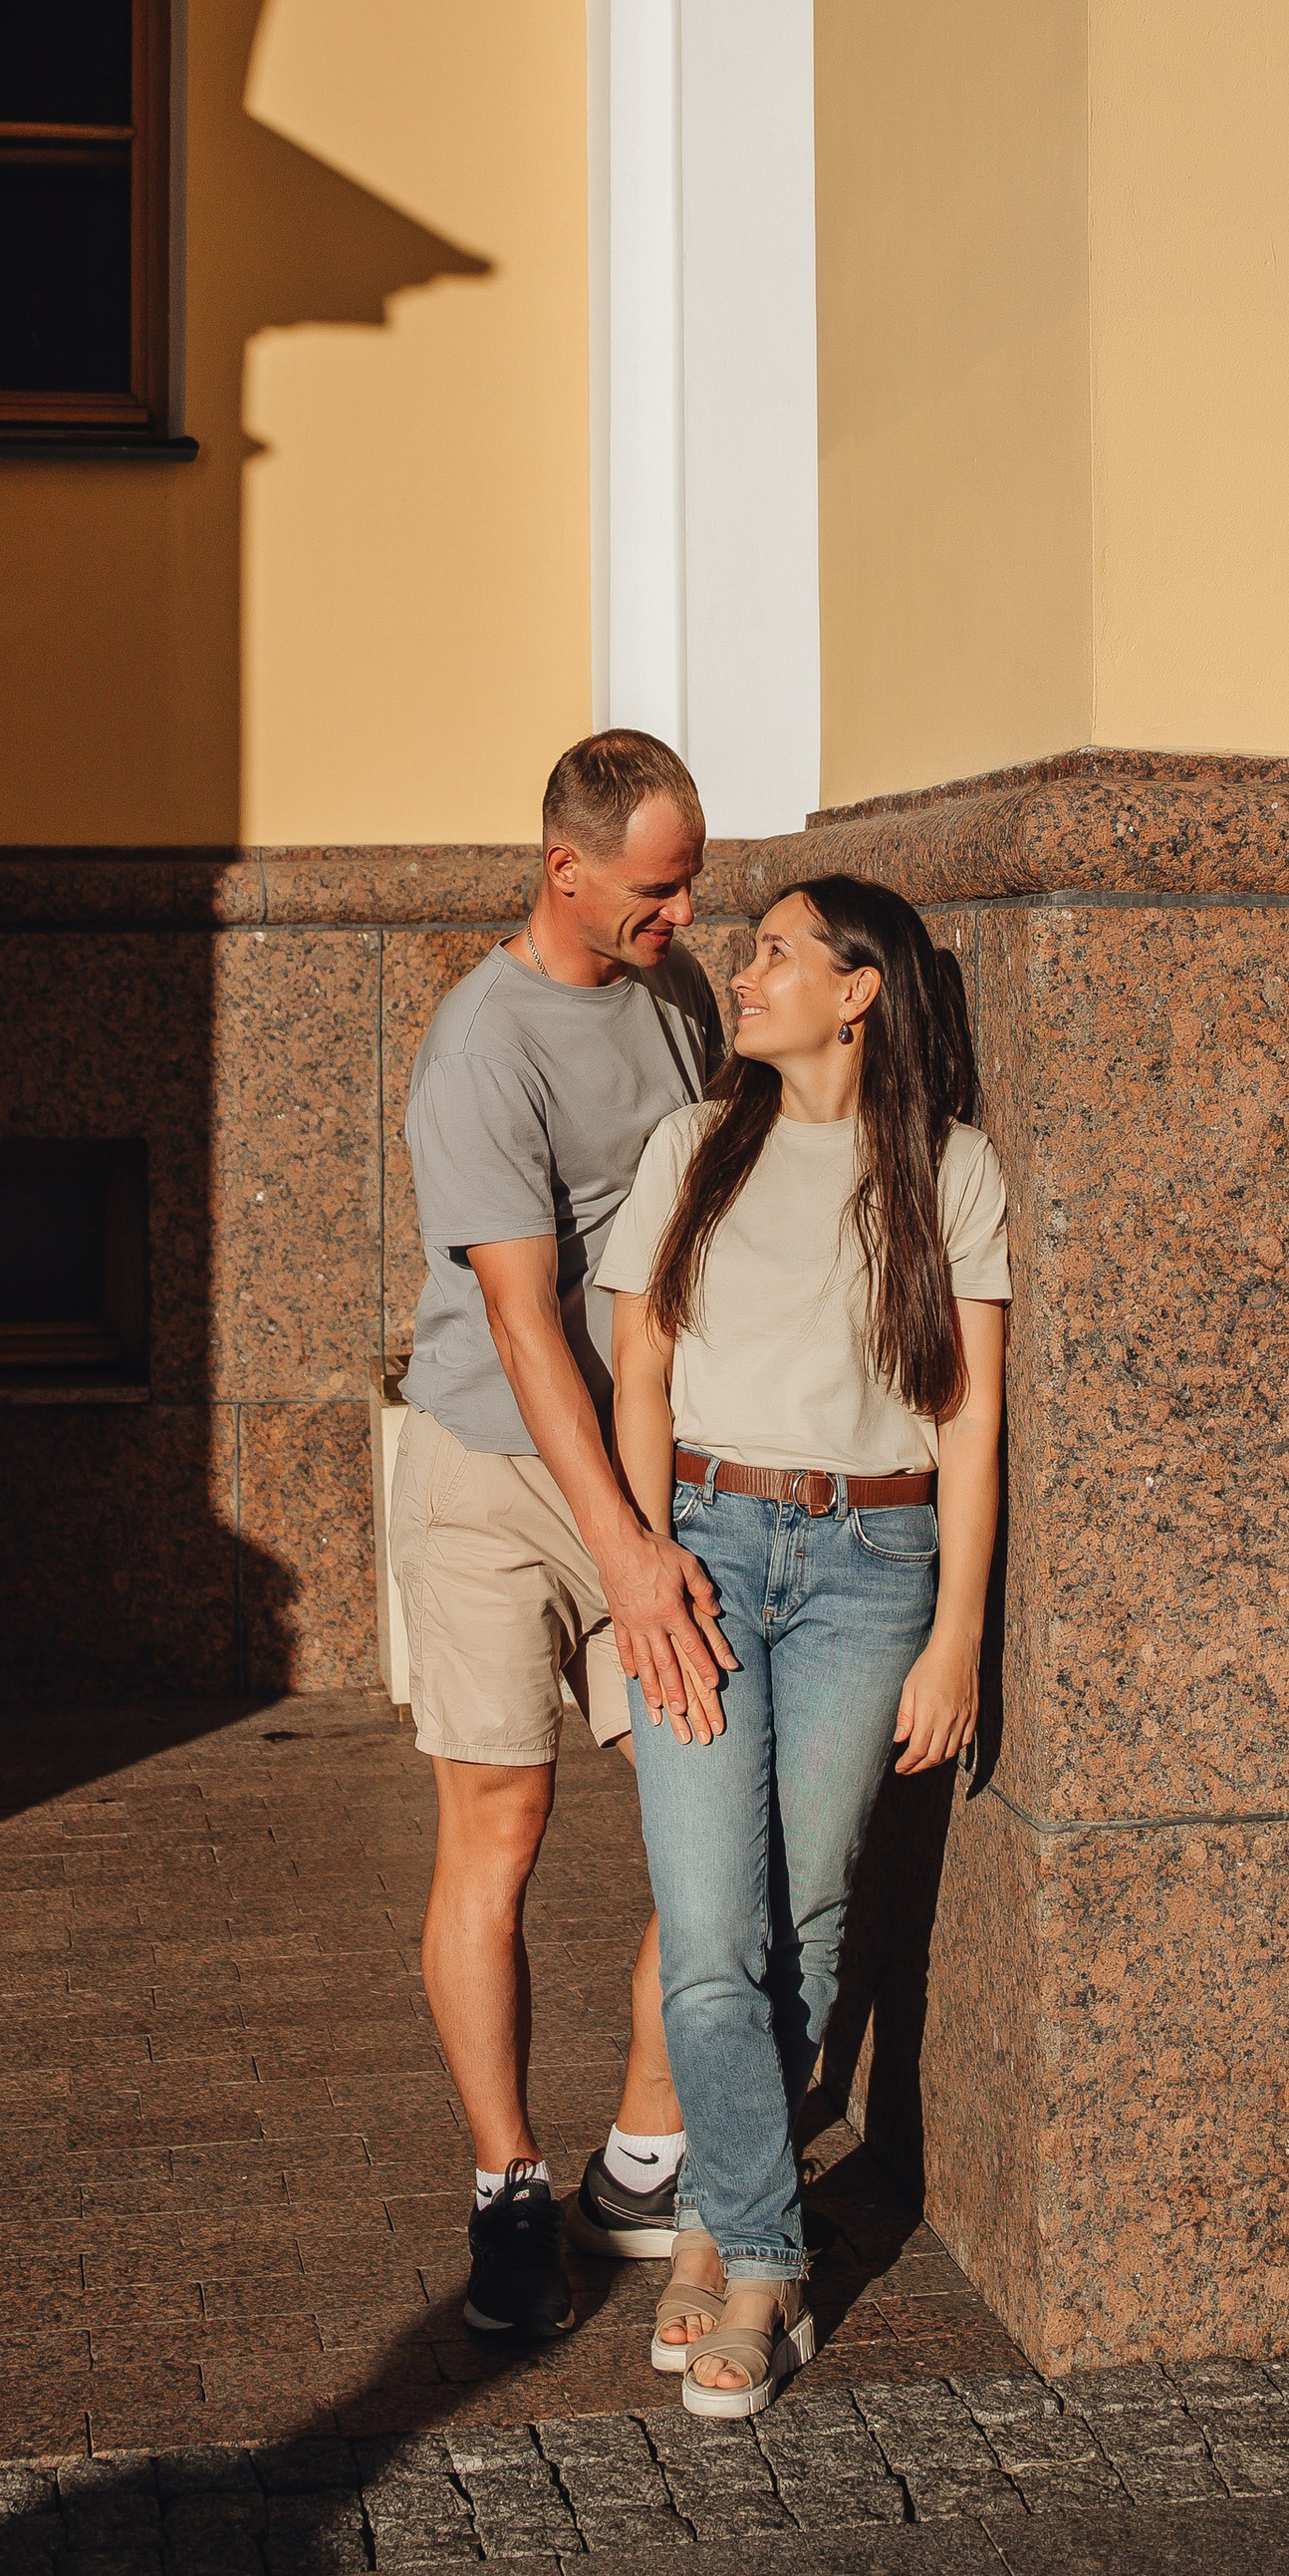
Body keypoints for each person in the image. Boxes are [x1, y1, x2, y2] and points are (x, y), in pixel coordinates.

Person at [595, 874, 1007, 2421]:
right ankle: (769, 2262)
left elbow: (969, 1420)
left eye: (774, 951)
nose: (742, 971)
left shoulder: (949, 1171)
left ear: (860, 992)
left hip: (873, 1565)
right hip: (701, 1552)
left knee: (812, 1920)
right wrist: (642, 1571)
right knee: (712, 1937)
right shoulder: (693, 1150)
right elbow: (638, 1371)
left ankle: (711, 2233)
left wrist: (958, 1633)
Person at [391, 727, 740, 2343]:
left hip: (646, 1454)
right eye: (657, 887)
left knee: (708, 1795)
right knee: (502, 1832)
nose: (684, 913)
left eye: (689, 882)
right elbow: (528, 1327)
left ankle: (645, 2155)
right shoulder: (482, 1045)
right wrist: (621, 1542)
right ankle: (507, 2187)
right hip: (495, 1471)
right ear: (567, 867)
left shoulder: (672, 994)